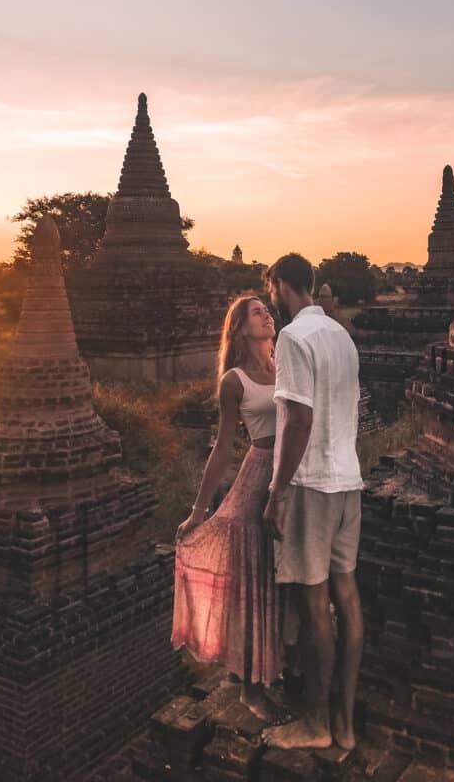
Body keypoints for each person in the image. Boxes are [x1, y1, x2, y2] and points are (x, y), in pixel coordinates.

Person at [261, 253, 364, 751]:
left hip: (312, 485)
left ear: (281, 285)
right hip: (348, 482)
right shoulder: (342, 337)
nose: (272, 301)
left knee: (315, 603)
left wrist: (277, 492)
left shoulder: (293, 337)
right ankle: (345, 724)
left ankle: (316, 723)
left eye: (272, 291)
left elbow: (298, 421)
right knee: (348, 598)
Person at [171, 294, 282, 718]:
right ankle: (249, 687)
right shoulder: (234, 380)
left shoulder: (285, 364)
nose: (267, 315)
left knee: (283, 579)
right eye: (257, 313)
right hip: (256, 480)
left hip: (291, 476)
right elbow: (221, 449)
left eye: (267, 310)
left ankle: (275, 667)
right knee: (254, 580)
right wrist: (199, 512)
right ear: (239, 330)